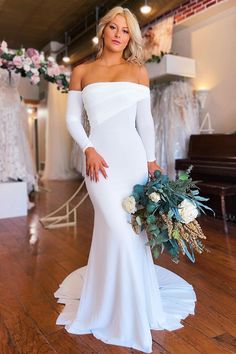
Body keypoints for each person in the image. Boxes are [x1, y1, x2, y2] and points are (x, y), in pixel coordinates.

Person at [54, 6, 196, 353]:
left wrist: (151, 161)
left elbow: (145, 122)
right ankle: (113, 306)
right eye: (113, 28)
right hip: (99, 161)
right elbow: (74, 119)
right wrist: (88, 149)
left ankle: (134, 304)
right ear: (103, 31)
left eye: (125, 30)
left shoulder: (137, 71)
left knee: (131, 232)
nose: (119, 34)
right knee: (115, 227)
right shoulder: (82, 71)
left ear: (130, 37)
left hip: (132, 158)